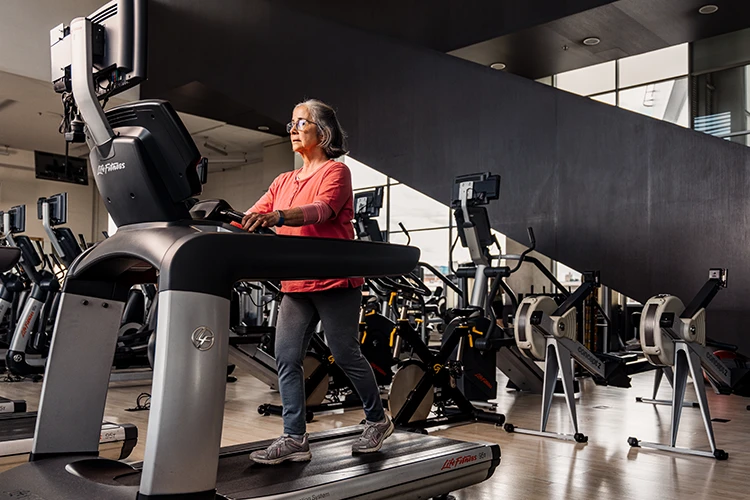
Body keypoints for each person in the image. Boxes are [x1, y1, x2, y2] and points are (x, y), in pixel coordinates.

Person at [243, 99, 394, 465]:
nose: (292, 129)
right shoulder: (282, 181)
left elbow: (321, 211)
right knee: (286, 358)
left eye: (301, 123)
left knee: (345, 355)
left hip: (335, 280)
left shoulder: (336, 173)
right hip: (296, 283)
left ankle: (377, 419)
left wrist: (279, 216)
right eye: (291, 123)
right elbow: (251, 215)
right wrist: (209, 224)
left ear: (322, 133)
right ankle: (295, 438)